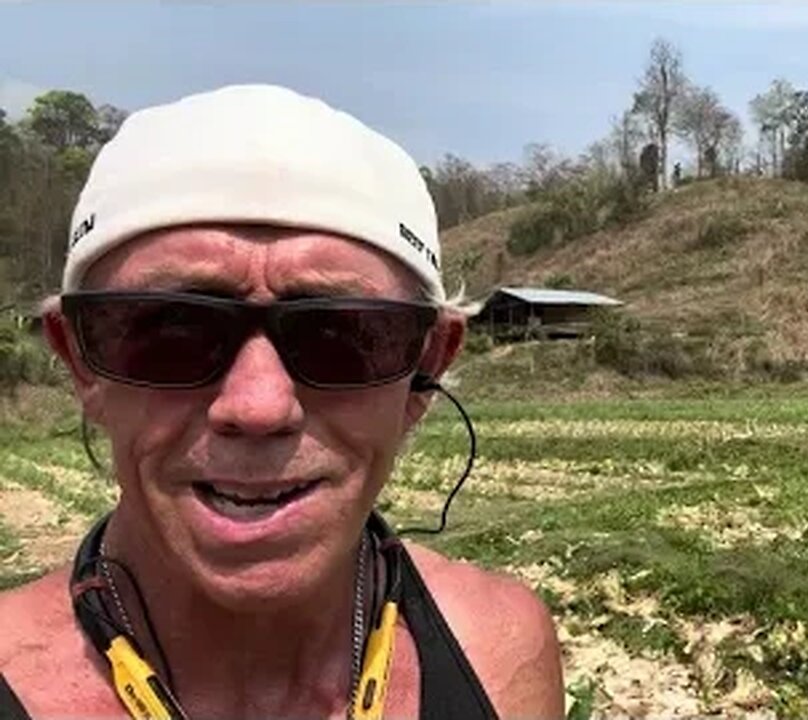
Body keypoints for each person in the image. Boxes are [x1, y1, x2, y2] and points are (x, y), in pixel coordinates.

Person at [0, 84, 564, 719]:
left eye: (341, 336)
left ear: (426, 367)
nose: (259, 406)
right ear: (80, 360)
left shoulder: (500, 652)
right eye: (172, 334)